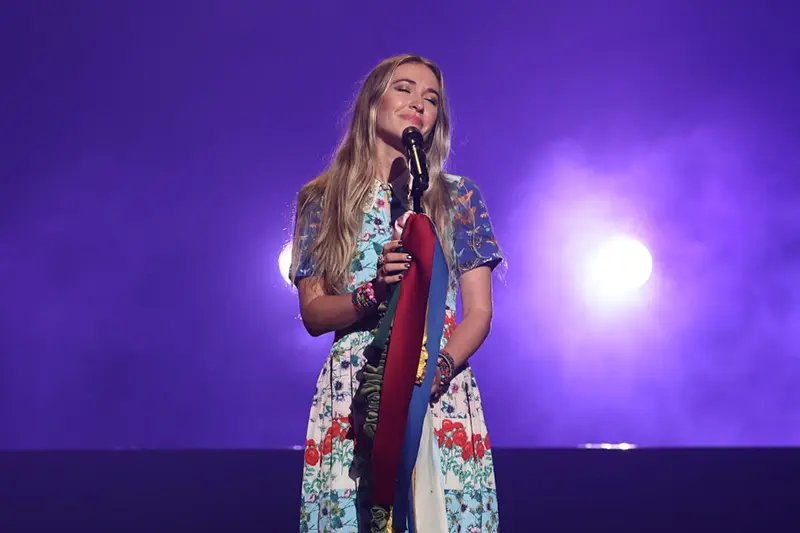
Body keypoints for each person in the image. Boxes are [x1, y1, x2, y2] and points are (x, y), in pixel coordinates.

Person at [290, 53, 503, 533]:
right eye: (404, 88)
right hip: (357, 388)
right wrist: (374, 294)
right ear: (372, 104)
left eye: (431, 98)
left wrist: (435, 372)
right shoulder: (323, 200)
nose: (419, 104)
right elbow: (313, 312)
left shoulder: (457, 197)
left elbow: (480, 312)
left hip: (437, 385)